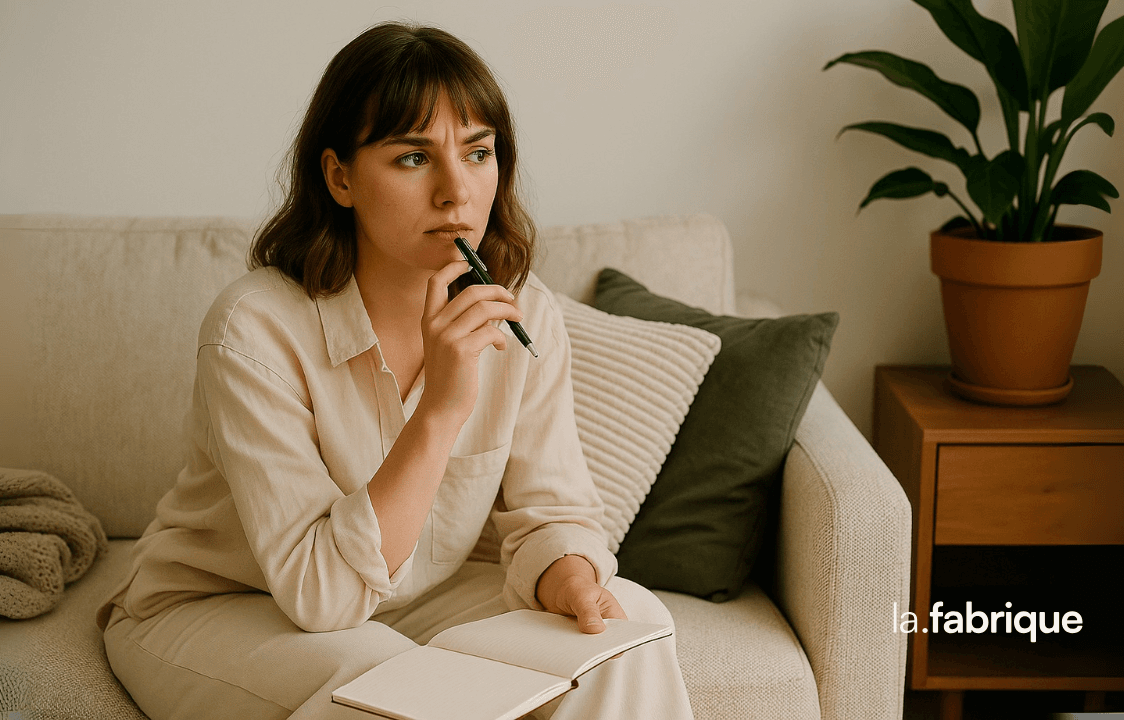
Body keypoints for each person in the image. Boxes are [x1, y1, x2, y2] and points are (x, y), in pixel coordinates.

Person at [96, 21, 693, 720]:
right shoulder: (252, 331)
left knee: (631, 628)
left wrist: (569, 577)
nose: (456, 192)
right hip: (226, 607)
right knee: (392, 688)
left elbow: (555, 513)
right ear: (340, 177)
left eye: (477, 153)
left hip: (422, 604)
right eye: (413, 158)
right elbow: (323, 597)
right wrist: (440, 409)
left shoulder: (524, 313)